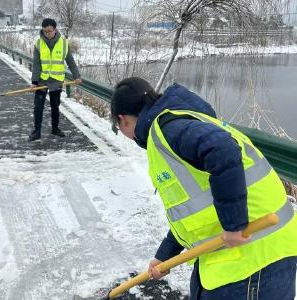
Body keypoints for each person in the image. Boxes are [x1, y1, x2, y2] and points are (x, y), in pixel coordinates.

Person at [110, 77, 297, 299]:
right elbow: (194, 211)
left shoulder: (168, 129)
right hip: (256, 254)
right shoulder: (179, 124)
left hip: (254, 259)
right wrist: (164, 256)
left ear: (122, 121)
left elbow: (222, 150)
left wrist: (233, 224)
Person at [29, 18, 82, 141]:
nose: (47, 34)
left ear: (55, 29)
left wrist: (77, 76)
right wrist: (34, 82)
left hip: (56, 80)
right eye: (45, 31)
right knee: (38, 107)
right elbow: (36, 64)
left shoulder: (63, 43)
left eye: (49, 31)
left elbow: (70, 62)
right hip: (42, 80)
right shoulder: (38, 43)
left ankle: (55, 128)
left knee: (55, 106)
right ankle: (37, 131)